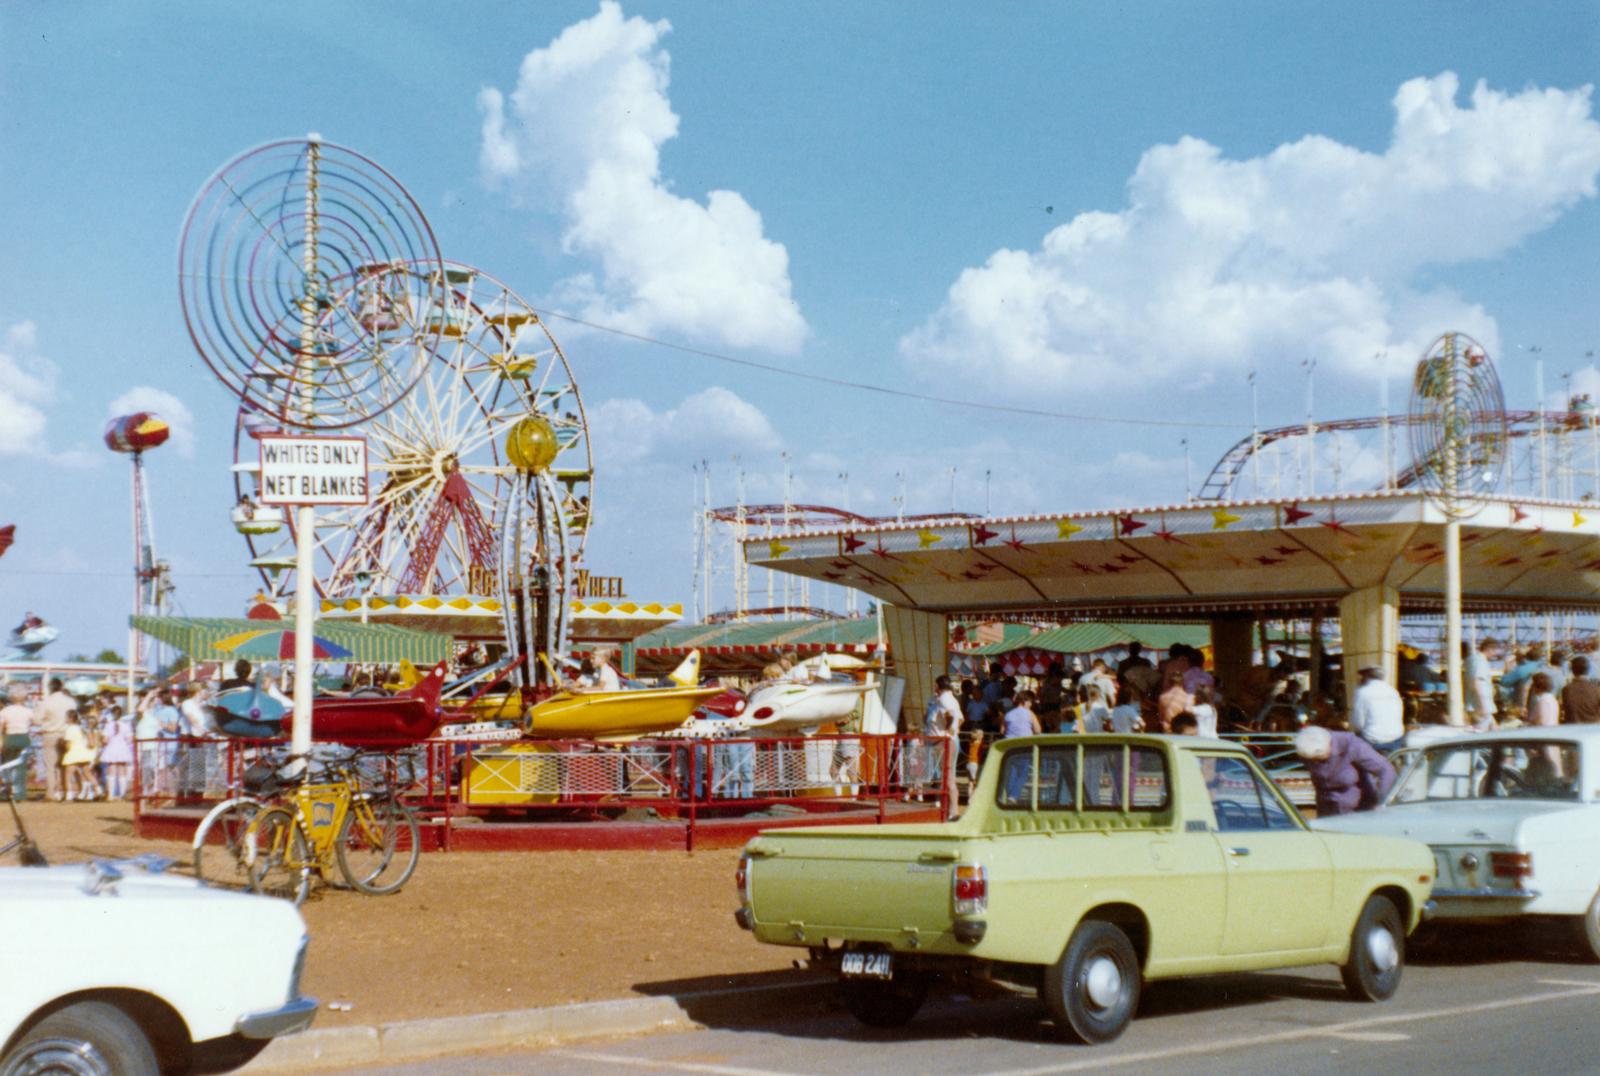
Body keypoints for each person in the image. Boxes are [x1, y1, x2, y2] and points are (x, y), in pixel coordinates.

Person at [1294, 725, 1396, 816]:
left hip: (1358, 808)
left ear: (1329, 746)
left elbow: (1386, 770)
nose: (1315, 761)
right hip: (1326, 806)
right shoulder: (1307, 747)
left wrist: (1383, 801)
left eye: (1318, 758)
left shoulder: (1352, 744)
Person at [924, 675, 963, 811]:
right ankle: (949, 808)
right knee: (946, 777)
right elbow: (959, 719)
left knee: (948, 778)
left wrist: (947, 732)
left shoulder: (944, 699)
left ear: (939, 685)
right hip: (941, 741)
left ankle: (953, 810)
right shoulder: (947, 699)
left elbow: (951, 716)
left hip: (942, 742)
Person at [33, 678, 75, 801]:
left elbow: (36, 720)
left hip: (50, 734)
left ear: (50, 687)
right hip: (67, 734)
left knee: (50, 766)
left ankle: (51, 792)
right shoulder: (70, 702)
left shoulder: (46, 702)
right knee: (63, 764)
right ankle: (62, 790)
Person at [1350, 666, 1405, 754]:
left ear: (1366, 677)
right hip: (1396, 738)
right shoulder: (1393, 691)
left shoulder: (1362, 692)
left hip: (1373, 740)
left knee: (1352, 741)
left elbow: (1358, 723)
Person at [60, 710, 103, 801]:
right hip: (83, 753)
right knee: (87, 773)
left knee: (68, 775)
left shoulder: (70, 729)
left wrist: (64, 748)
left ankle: (69, 795)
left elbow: (68, 744)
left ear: (70, 718)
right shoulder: (81, 728)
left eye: (66, 717)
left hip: (73, 753)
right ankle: (99, 790)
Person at [0, 686, 33, 799]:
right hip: (23, 737)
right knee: (21, 766)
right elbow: (34, 723)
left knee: (7, 765)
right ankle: (19, 793)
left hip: (9, 737)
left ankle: (7, 792)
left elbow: (1, 727)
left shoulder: (5, 711)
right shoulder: (28, 711)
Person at [99, 704, 135, 799]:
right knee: (122, 770)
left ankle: (111, 794)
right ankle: (122, 794)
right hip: (122, 748)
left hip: (112, 748)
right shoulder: (126, 725)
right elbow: (130, 739)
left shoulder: (108, 725)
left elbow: (105, 740)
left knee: (111, 770)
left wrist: (103, 741)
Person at [1561, 655, 1600, 724]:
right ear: (1588, 670)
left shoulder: (1566, 690)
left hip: (1573, 729)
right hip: (1593, 728)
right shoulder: (1596, 689)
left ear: (1572, 670)